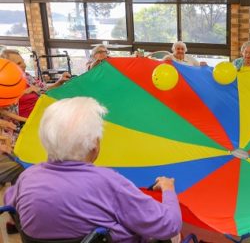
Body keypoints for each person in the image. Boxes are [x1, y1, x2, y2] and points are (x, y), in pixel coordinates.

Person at [3, 97, 182, 242]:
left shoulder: (28, 177)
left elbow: (10, 200)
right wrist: (168, 189)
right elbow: (169, 224)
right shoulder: (109, 182)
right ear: (94, 146)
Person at [0, 49, 70, 118]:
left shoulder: (27, 76)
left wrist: (60, 81)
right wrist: (24, 92)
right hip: (25, 122)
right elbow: (4, 110)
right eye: (19, 63)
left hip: (41, 111)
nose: (24, 65)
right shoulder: (4, 84)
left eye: (23, 62)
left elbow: (43, 89)